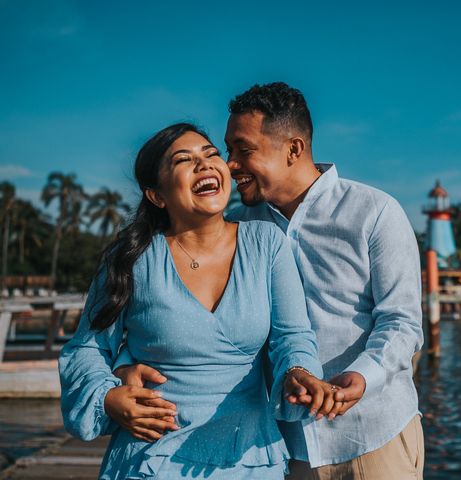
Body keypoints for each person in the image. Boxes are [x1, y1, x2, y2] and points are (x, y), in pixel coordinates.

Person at [117, 82, 425, 479]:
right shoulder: (239, 229)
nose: (229, 164)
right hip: (279, 446)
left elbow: (401, 322)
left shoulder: (374, 212)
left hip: (371, 436)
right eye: (228, 151)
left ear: (293, 149)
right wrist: (124, 366)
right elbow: (173, 320)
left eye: (243, 150)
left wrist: (362, 378)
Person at [58, 122, 340, 480]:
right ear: (157, 195)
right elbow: (87, 347)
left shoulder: (266, 243)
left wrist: (300, 373)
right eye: (184, 160)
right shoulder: (130, 259)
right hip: (150, 459)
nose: (204, 165)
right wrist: (108, 398)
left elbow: (293, 336)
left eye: (210, 155)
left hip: (248, 459)